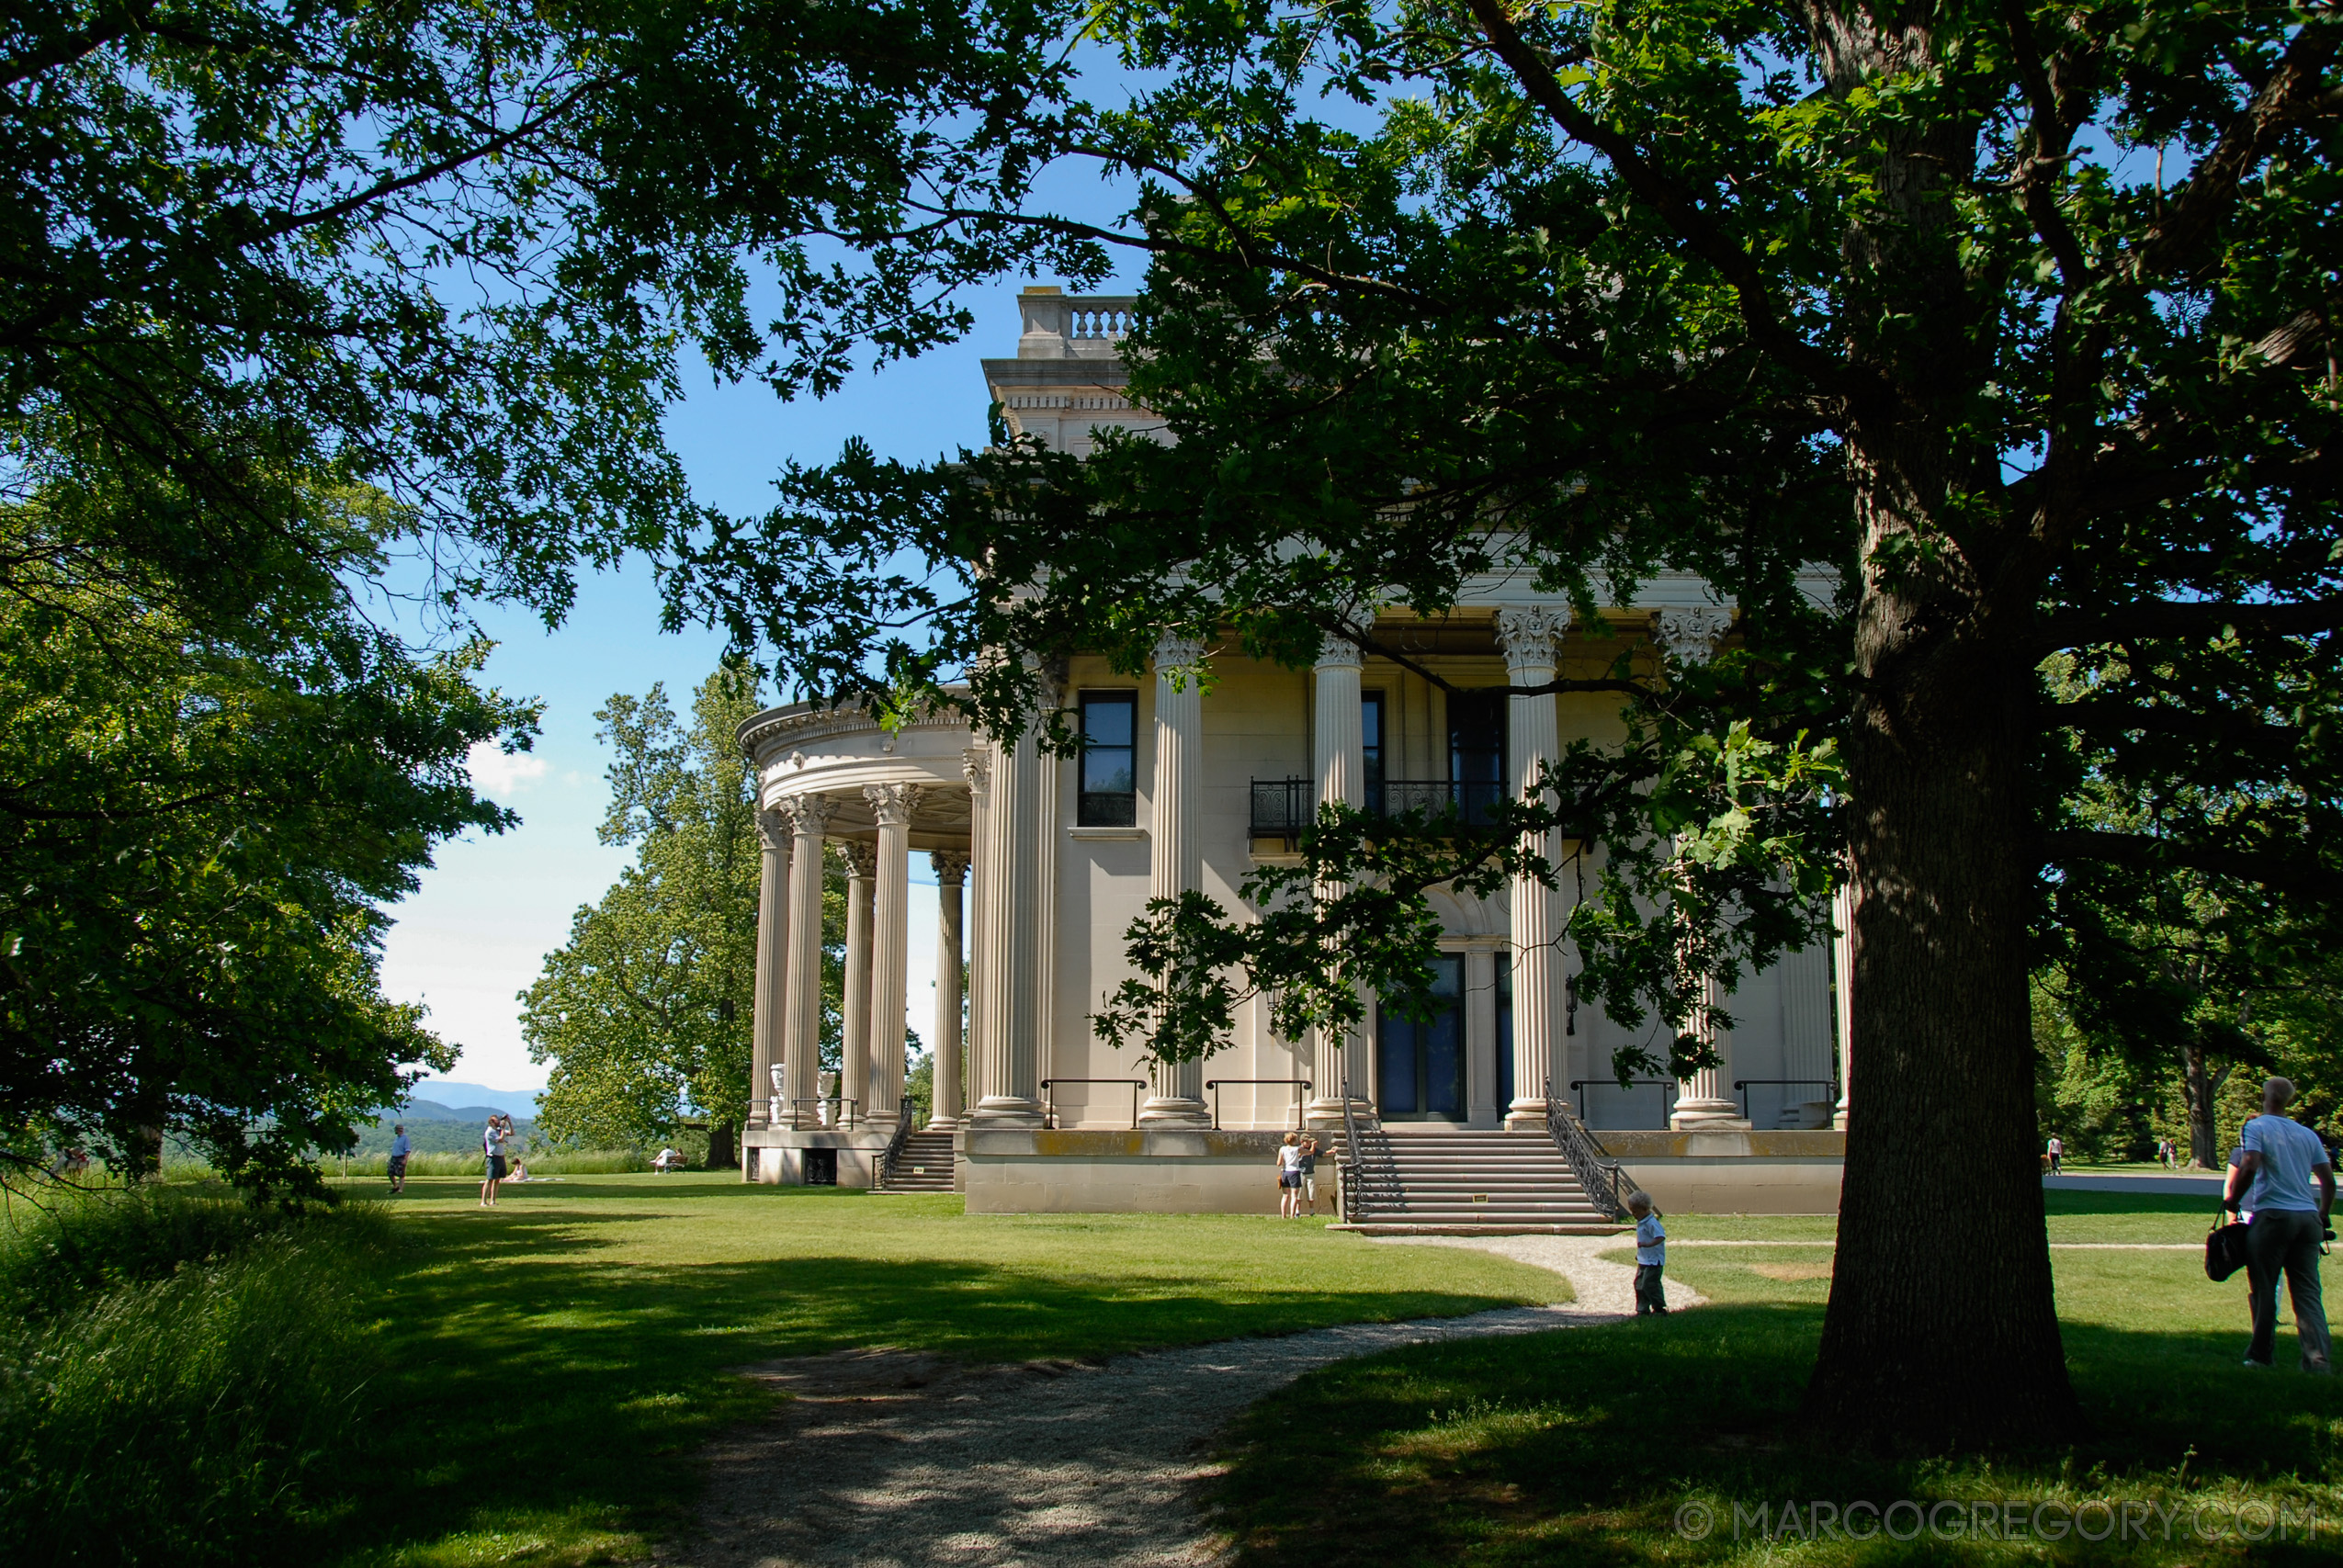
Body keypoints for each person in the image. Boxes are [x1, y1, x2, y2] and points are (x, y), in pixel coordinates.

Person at [2224, 1076, 2335, 1373]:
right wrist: (2321, 1214)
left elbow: (2250, 1164)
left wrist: (2233, 1201)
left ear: (2264, 1095)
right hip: (2307, 1218)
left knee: (2264, 1286)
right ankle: (2317, 1361)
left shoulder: (2256, 1127)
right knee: (2308, 1292)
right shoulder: (2307, 1134)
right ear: (2289, 1100)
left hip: (2272, 1215)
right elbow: (2328, 1181)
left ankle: (2261, 1355)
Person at [1629, 1190, 1668, 1314]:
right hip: (1644, 1259)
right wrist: (1640, 1253)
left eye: (1635, 1211)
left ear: (1645, 1209)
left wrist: (1648, 1245)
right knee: (1639, 1284)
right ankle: (1642, 1309)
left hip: (1654, 1260)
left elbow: (1660, 1237)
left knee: (1650, 1284)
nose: (1633, 1214)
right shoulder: (1641, 1223)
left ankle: (1659, 1308)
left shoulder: (1652, 1223)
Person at [480, 1115, 508, 1207]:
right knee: (490, 1179)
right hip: (493, 1157)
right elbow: (501, 1139)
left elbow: (512, 1133)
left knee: (497, 1180)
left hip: (500, 1157)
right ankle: (483, 1201)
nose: (498, 1122)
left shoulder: (498, 1130)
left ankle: (493, 1200)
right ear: (491, 1122)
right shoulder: (490, 1132)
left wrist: (509, 1123)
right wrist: (503, 1128)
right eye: (496, 1121)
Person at [1274, 1133, 1305, 1218]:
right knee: (1294, 1195)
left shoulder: (1282, 1149)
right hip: (1294, 1172)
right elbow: (1309, 1152)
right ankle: (1292, 1215)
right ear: (1295, 1140)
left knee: (1285, 1195)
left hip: (1285, 1172)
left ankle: (1283, 1216)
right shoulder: (1297, 1149)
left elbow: (1278, 1163)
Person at [1296, 1133, 1320, 1218]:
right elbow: (1310, 1152)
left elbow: (1322, 1153)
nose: (1310, 1144)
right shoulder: (1299, 1149)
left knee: (1311, 1192)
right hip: (1301, 1173)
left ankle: (1312, 1211)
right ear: (1302, 1142)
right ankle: (1297, 1211)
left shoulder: (1313, 1149)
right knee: (1299, 1193)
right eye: (1308, 1142)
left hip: (1310, 1173)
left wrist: (1332, 1151)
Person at [388, 1123, 412, 1193]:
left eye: (396, 1129)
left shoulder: (405, 1138)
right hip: (394, 1157)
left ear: (398, 1130)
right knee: (390, 1172)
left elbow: (407, 1150)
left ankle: (400, 1189)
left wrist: (405, 1159)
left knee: (401, 1174)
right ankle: (395, 1186)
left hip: (401, 1157)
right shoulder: (397, 1138)